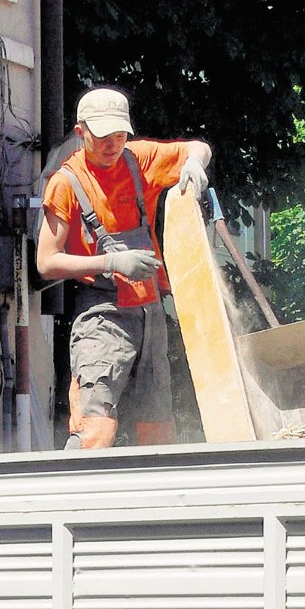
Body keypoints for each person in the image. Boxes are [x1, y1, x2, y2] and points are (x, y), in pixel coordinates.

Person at [36, 86, 212, 449]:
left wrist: (195, 163)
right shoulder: (65, 184)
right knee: (95, 428)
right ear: (80, 131)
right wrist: (112, 261)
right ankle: (74, 498)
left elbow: (198, 147)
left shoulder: (139, 159)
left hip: (150, 315)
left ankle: (158, 503)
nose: (112, 145)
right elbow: (46, 261)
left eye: (119, 135)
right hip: (102, 316)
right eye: (102, 137)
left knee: (159, 430)